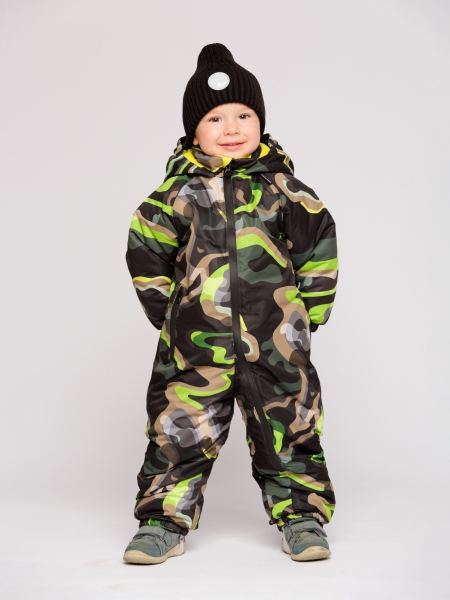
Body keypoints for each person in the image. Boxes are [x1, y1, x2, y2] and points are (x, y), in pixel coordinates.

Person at [123, 43, 338, 564]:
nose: (232, 127)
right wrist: (171, 317)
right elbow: (146, 253)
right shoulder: (175, 195)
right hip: (194, 349)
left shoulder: (286, 190)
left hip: (276, 345)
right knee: (178, 431)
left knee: (290, 428)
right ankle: (162, 522)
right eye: (215, 118)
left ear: (260, 121)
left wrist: (306, 317)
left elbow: (317, 249)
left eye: (244, 115)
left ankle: (302, 516)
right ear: (193, 131)